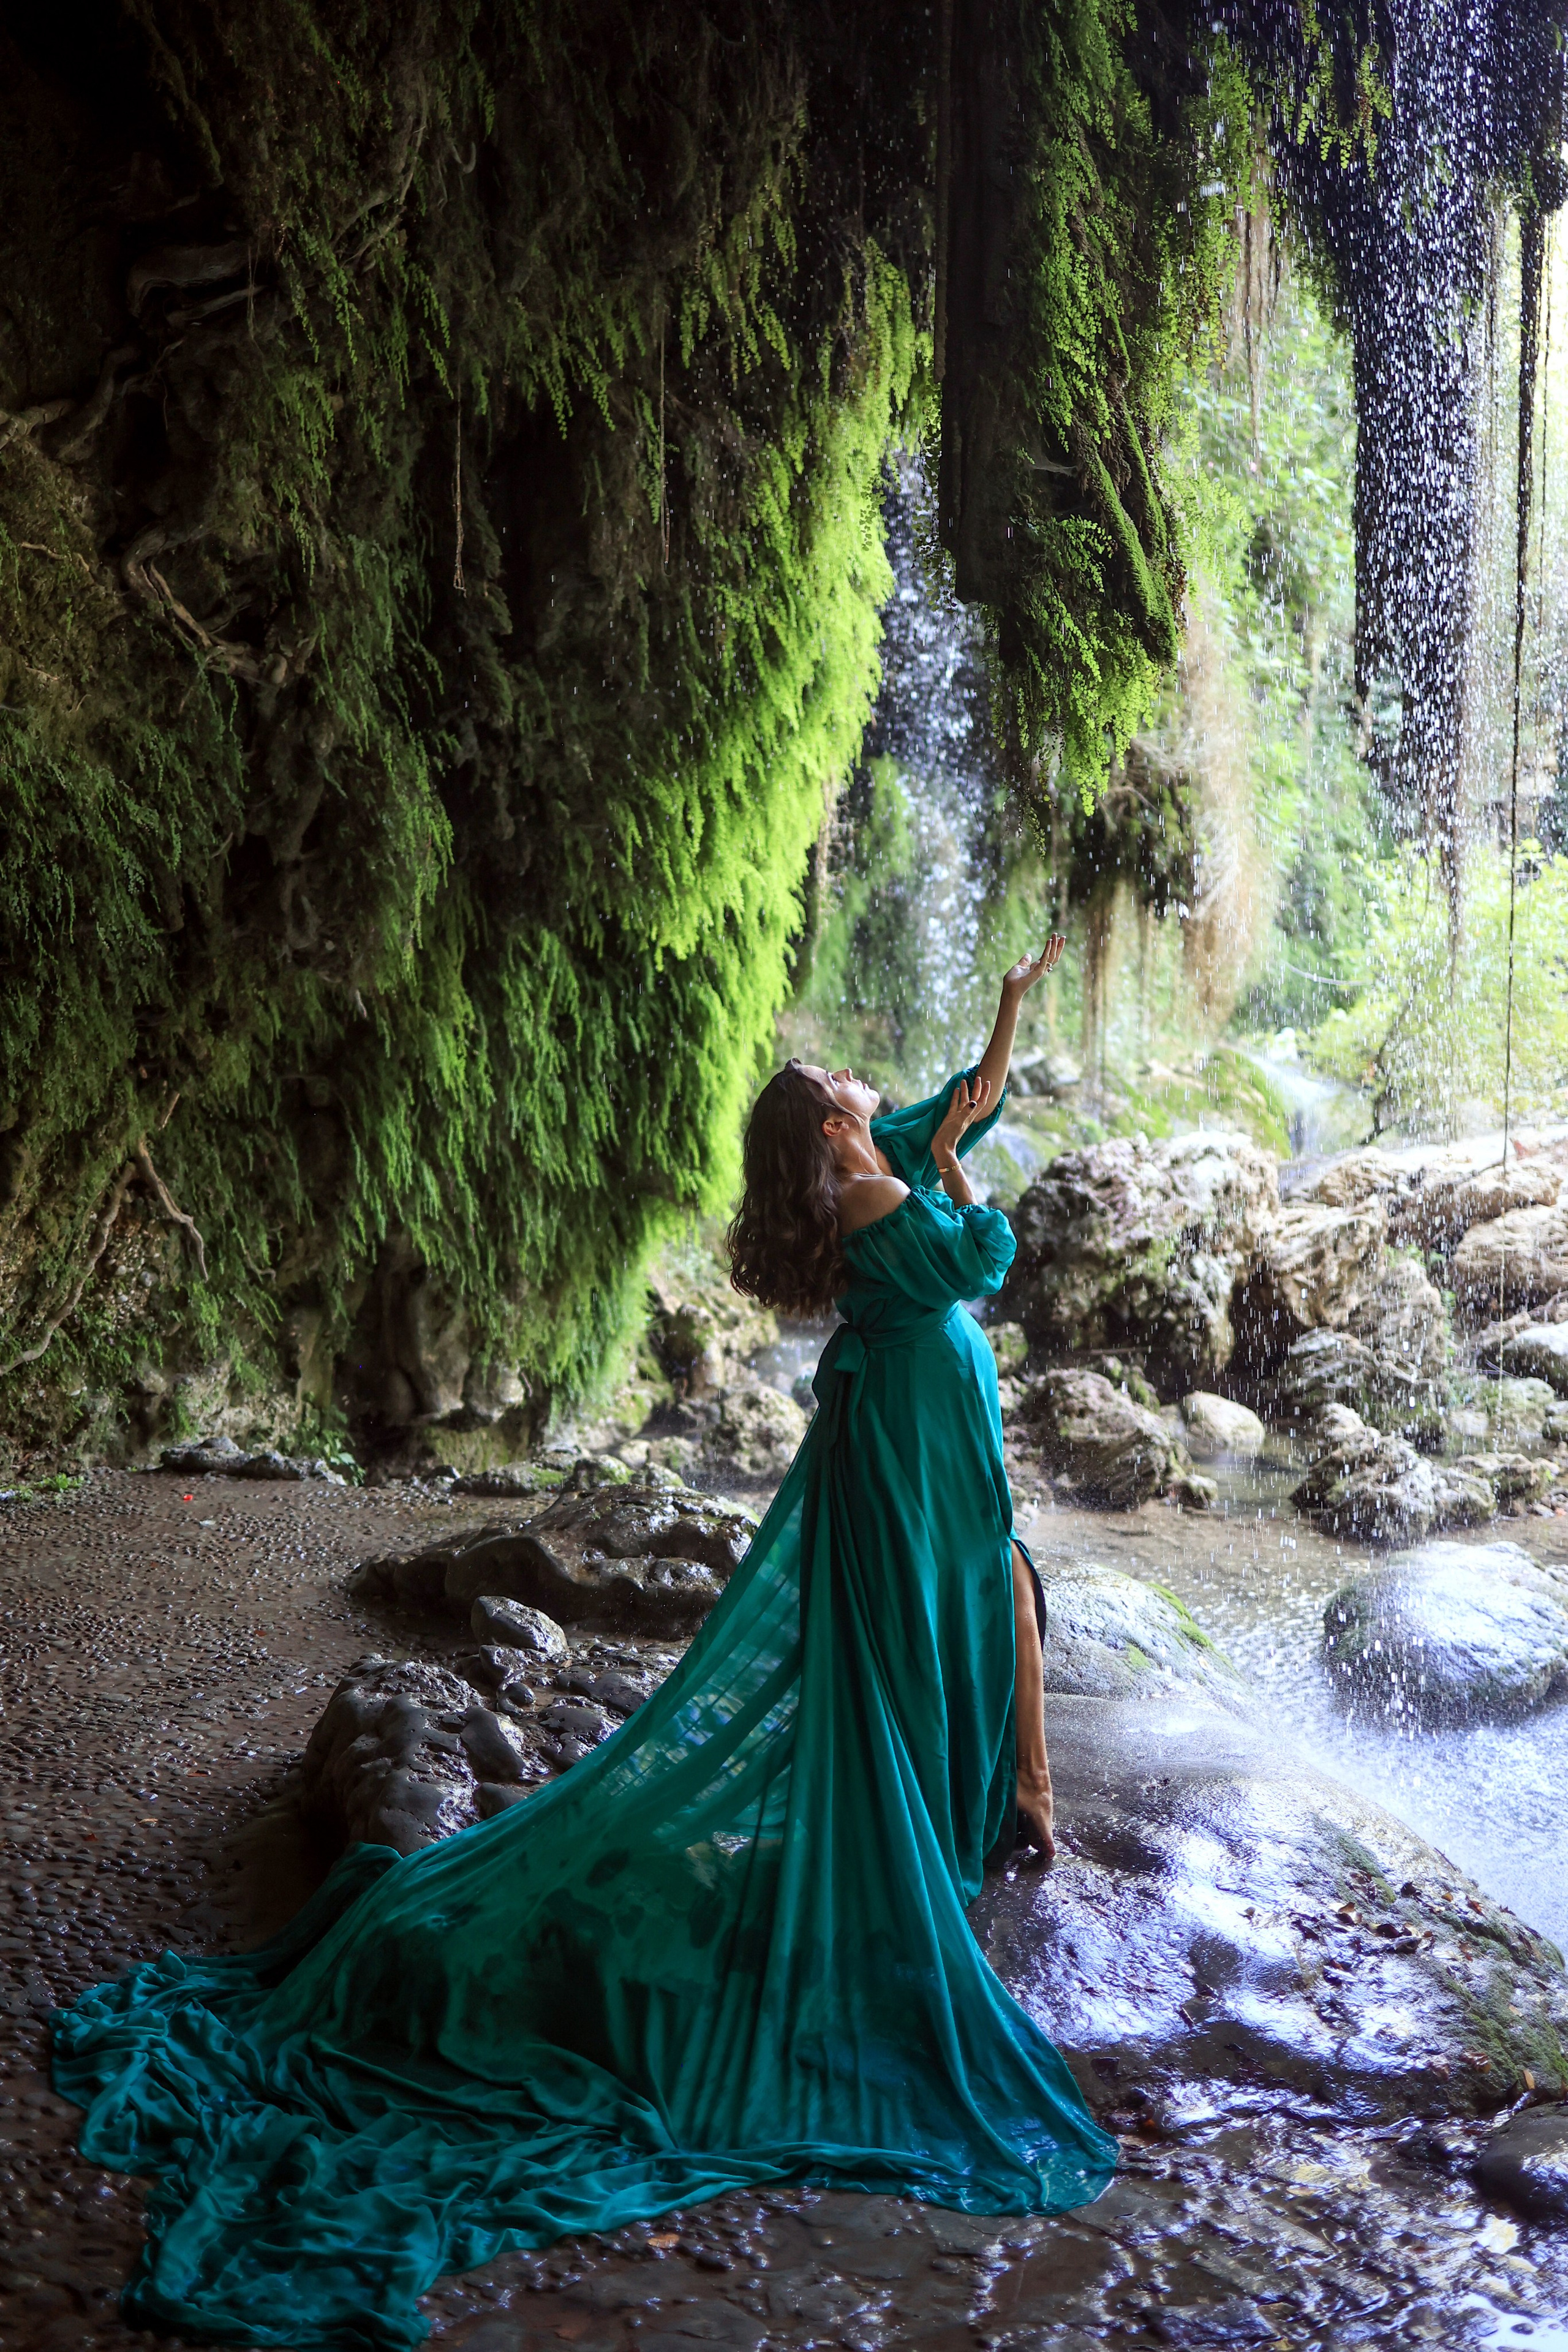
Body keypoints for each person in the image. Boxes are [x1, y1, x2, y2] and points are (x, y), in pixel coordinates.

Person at [54, 941, 1115, 2351]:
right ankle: (952, 1822)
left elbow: (971, 1099)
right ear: (829, 1126)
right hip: (915, 1422)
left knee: (962, 1608)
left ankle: (988, 1804)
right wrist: (961, 1185)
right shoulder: (871, 1185)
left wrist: (1012, 998)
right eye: (838, 1082)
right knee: (926, 1623)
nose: (855, 1076)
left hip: (917, 1419)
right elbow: (985, 1251)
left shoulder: (878, 1150)